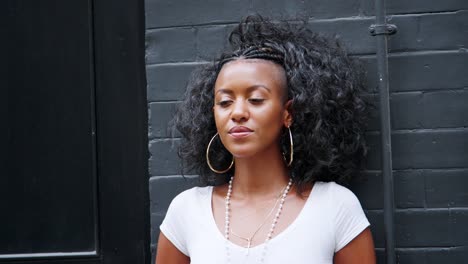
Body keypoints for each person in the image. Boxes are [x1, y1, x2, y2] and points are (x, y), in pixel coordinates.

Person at [156, 15, 376, 264]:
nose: (237, 113)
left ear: (288, 113)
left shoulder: (335, 207)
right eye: (225, 102)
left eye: (256, 99)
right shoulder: (186, 211)